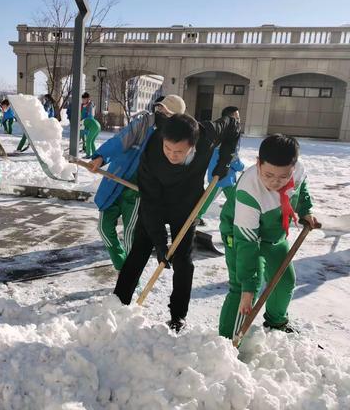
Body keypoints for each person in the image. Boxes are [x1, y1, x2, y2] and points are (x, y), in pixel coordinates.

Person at [114, 112, 241, 332]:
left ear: (194, 145)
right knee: (140, 250)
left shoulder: (207, 133)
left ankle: (178, 316)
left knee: (183, 260)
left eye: (179, 152)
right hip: (156, 201)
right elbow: (150, 203)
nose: (172, 155)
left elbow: (233, 126)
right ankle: (118, 304)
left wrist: (225, 160)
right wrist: (161, 244)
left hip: (186, 205)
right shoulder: (152, 152)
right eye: (168, 149)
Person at [219, 134, 318, 339]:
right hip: (241, 234)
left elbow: (301, 187)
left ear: (293, 166)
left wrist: (305, 210)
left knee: (284, 281)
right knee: (244, 290)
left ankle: (276, 323)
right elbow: (246, 243)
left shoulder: (297, 170)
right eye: (268, 175)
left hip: (273, 234)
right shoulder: (249, 191)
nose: (275, 182)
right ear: (258, 163)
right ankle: (228, 342)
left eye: (283, 177)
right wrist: (248, 285)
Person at [88, 95, 186, 271]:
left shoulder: (174, 139)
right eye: (160, 109)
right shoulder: (143, 124)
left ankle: (130, 276)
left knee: (130, 236)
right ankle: (121, 265)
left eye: (167, 113)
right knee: (103, 229)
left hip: (139, 192)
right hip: (117, 182)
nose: (161, 113)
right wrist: (101, 157)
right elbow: (120, 141)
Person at [198, 106, 245, 219]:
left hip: (222, 176)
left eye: (239, 118)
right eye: (236, 118)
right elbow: (231, 157)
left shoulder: (221, 134)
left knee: (229, 200)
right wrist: (240, 166)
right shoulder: (228, 136)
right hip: (222, 176)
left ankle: (197, 216)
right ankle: (196, 216)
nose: (238, 120)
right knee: (210, 199)